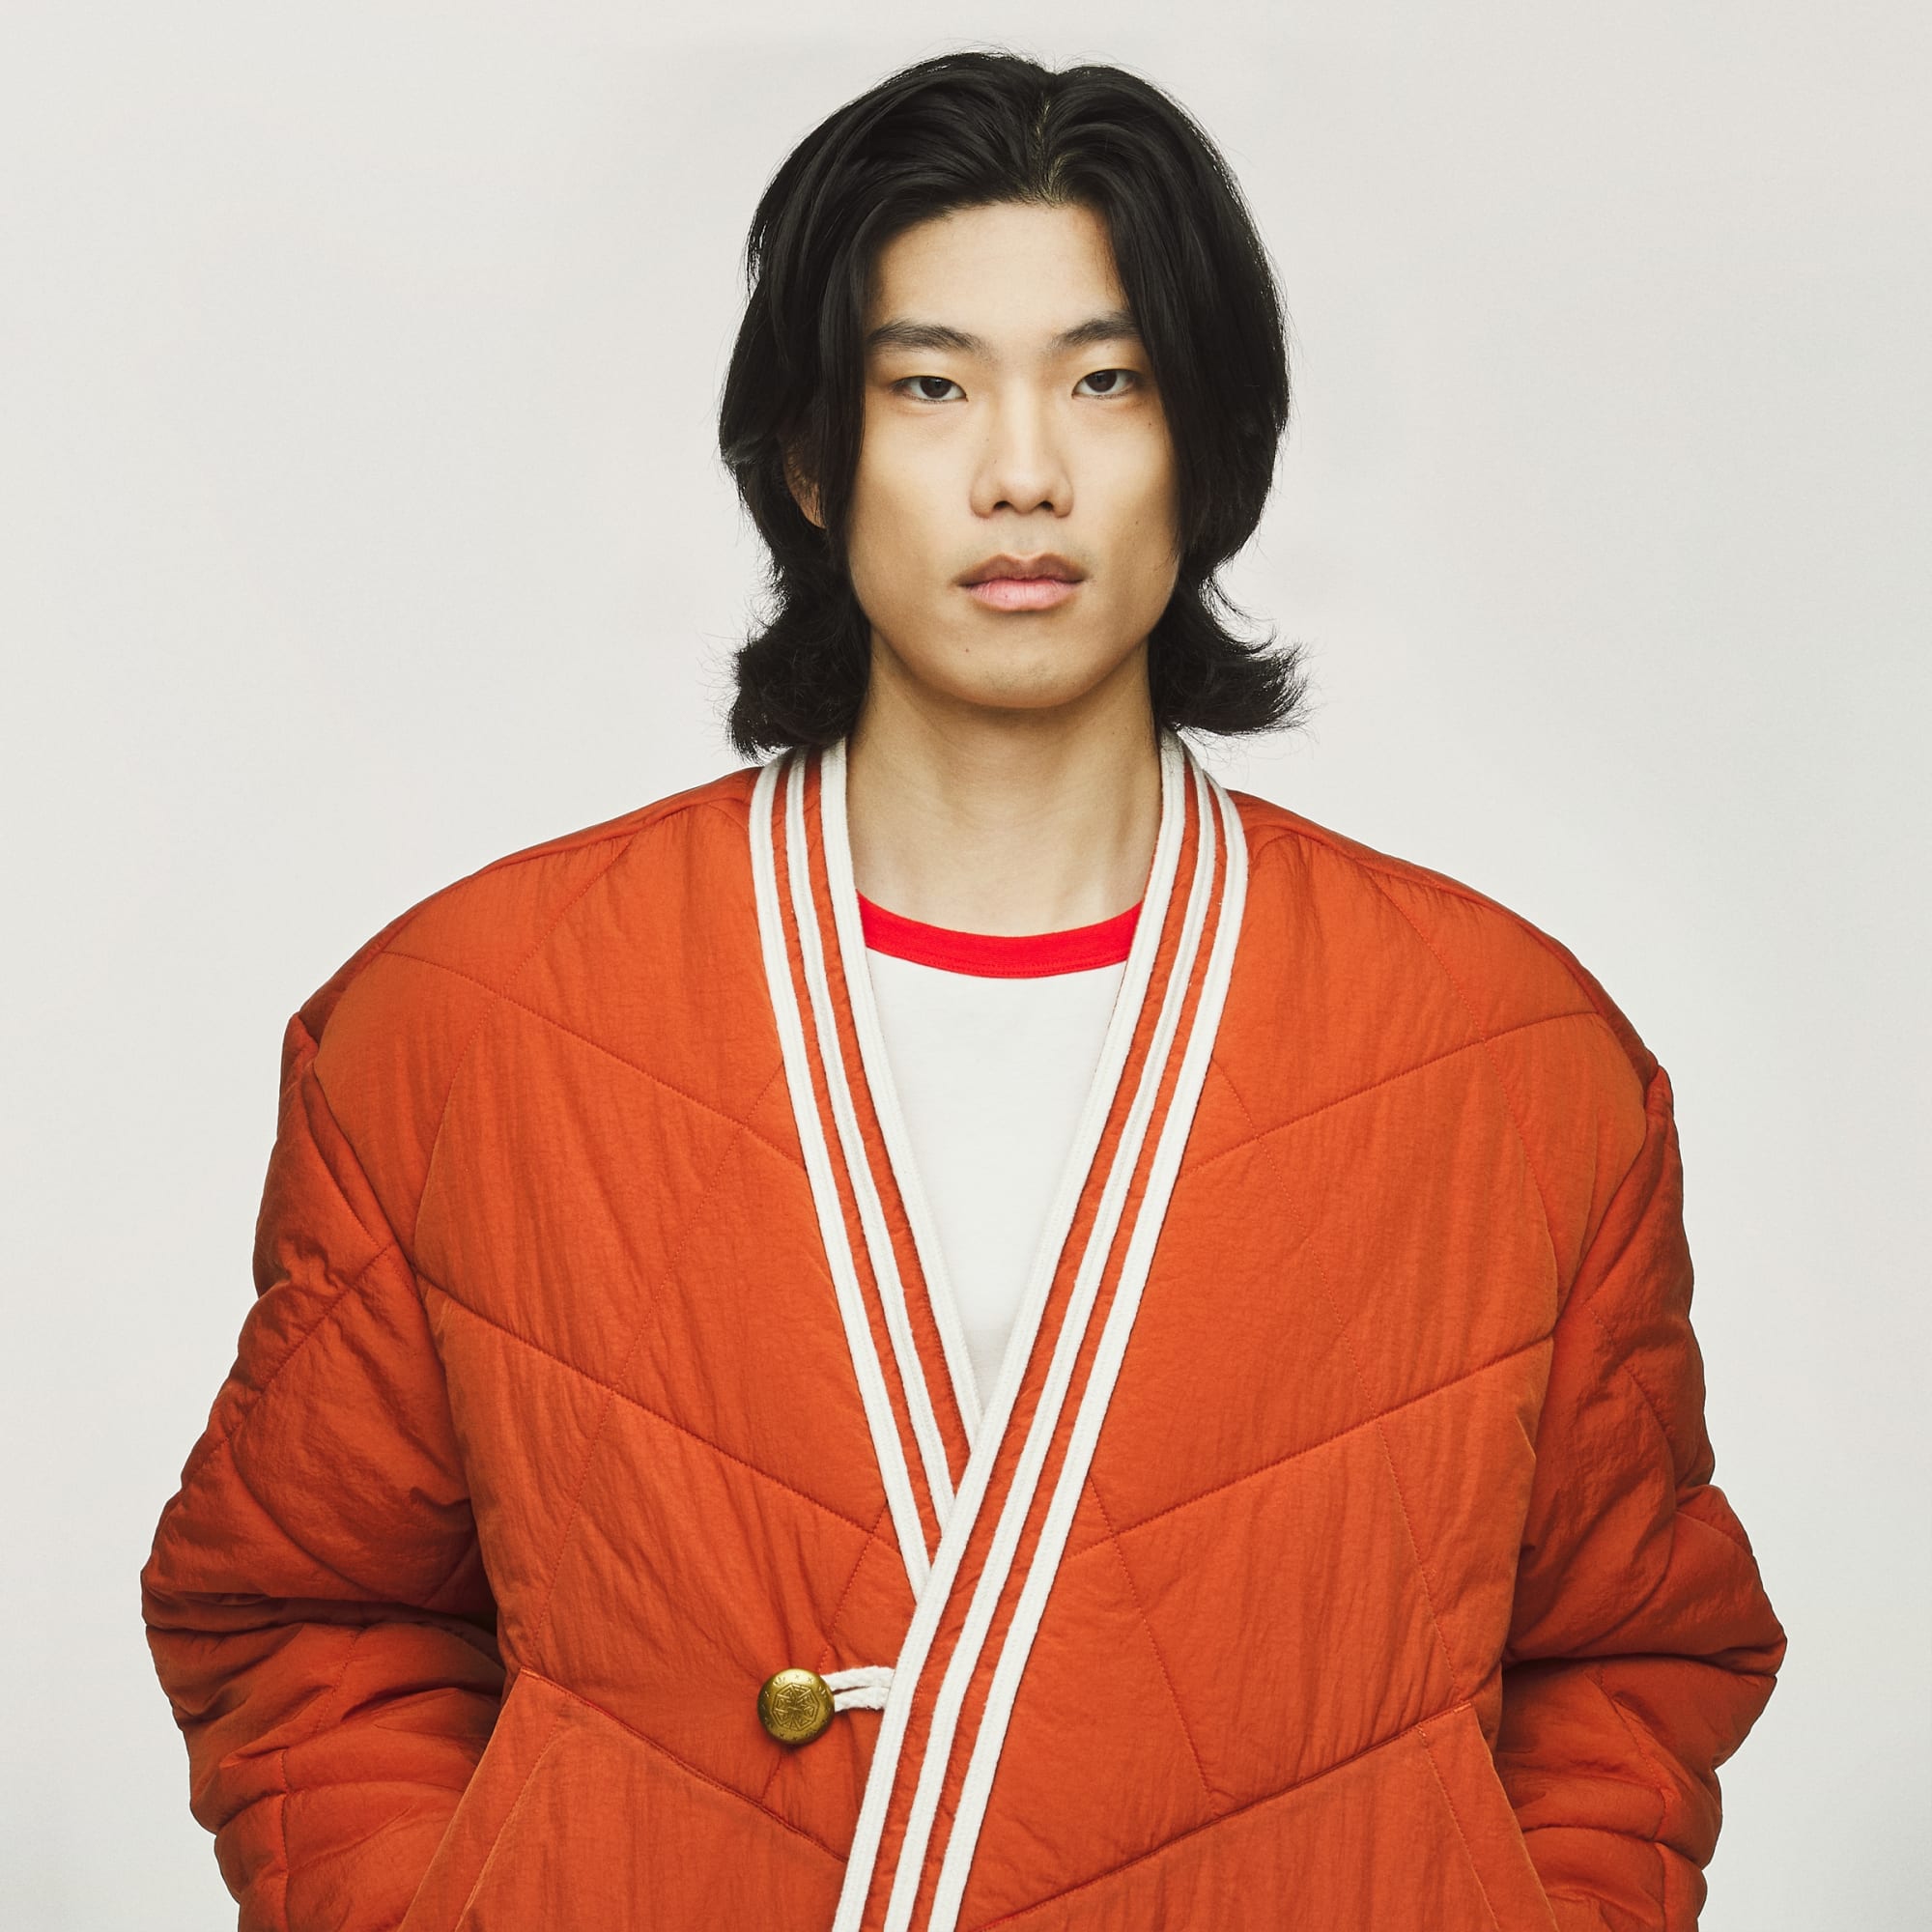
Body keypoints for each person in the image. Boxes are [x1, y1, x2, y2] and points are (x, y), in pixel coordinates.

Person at [141, 50, 1783, 1932]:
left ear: (1209, 448)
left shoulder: (1513, 1060)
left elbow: (1626, 1656)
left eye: (1107, 381)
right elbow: (308, 1610)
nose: (1022, 470)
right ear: (809, 458)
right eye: (930, 385)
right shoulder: (461, 1026)